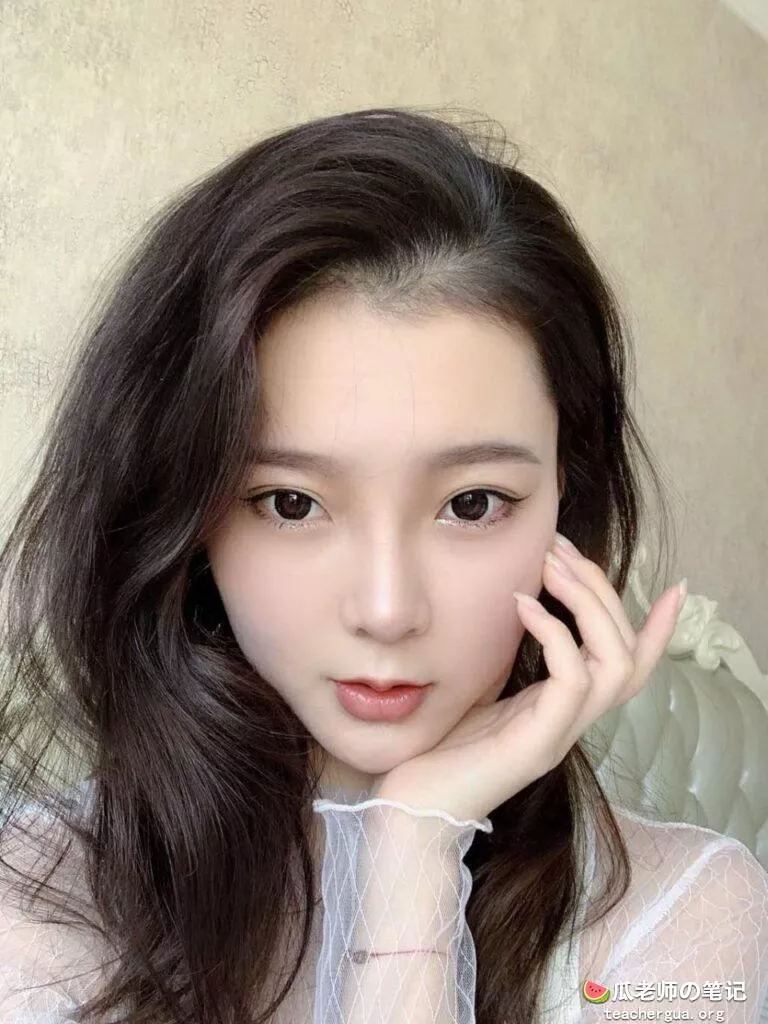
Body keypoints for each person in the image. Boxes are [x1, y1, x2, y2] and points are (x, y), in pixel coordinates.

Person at [0, 106, 766, 1024]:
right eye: (291, 503)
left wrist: (414, 852)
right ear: (186, 515)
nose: (387, 609)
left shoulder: (687, 919)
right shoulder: (43, 898)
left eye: (472, 504)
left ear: (568, 498)